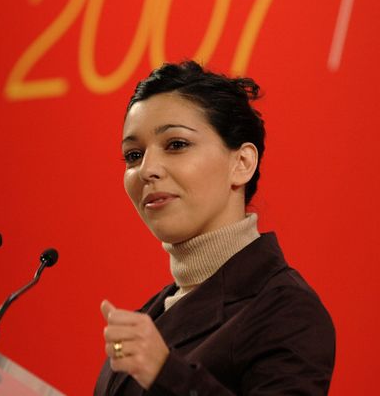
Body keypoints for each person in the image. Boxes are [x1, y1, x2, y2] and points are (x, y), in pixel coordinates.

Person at [94, 61, 335, 395]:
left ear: (242, 164)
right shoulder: (154, 313)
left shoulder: (288, 309)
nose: (147, 169)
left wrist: (165, 372)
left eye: (176, 144)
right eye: (133, 155)